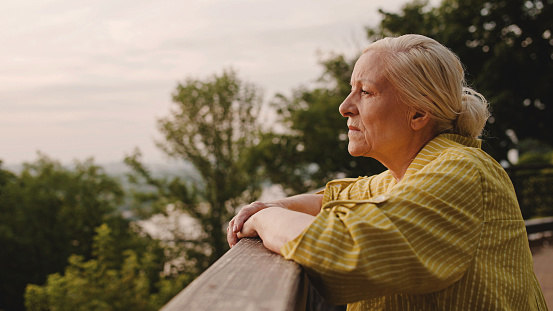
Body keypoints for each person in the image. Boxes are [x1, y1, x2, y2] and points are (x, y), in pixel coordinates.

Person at [227, 34, 547, 310]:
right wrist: (276, 206)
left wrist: (262, 220)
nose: (345, 106)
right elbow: (334, 198)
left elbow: (339, 250)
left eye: (365, 91)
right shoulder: (406, 177)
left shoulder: (460, 171)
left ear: (419, 112)